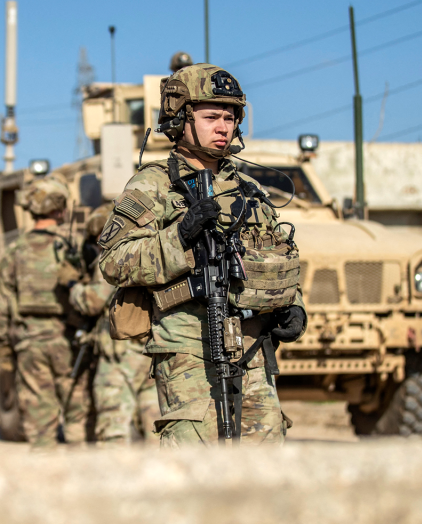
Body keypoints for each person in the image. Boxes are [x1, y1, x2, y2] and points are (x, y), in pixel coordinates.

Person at [98, 63, 307, 447]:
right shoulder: (154, 184)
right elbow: (113, 260)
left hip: (252, 346)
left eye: (230, 117)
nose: (223, 127)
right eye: (211, 117)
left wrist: (295, 305)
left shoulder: (248, 188)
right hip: (188, 346)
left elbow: (276, 253)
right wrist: (179, 235)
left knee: (267, 460)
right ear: (180, 119)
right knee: (195, 455)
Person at [0, 175, 91, 447]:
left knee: (39, 424)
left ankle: (46, 474)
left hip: (29, 341)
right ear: (60, 207)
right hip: (71, 341)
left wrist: (2, 348)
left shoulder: (14, 251)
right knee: (77, 420)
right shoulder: (75, 246)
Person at [69, 205, 160, 445]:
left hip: (120, 357)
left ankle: (116, 478)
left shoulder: (113, 260)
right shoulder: (148, 254)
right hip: (150, 350)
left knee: (113, 424)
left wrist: (73, 288)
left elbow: (93, 302)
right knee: (155, 422)